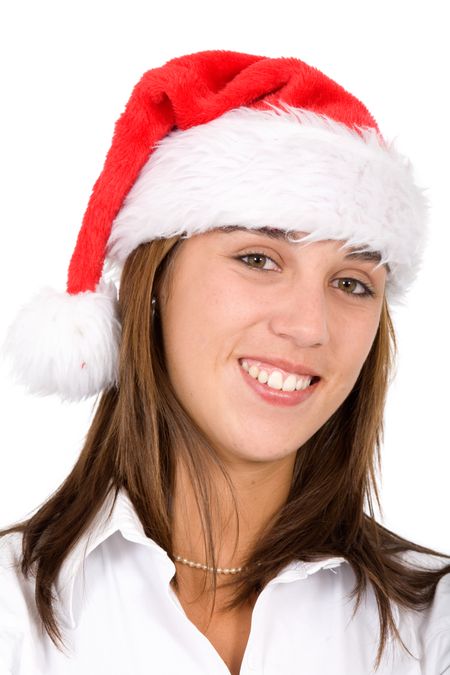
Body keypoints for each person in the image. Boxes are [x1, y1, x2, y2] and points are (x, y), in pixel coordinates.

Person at [1, 49, 449, 675]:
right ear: (151, 282)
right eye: (259, 259)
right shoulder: (11, 617)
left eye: (351, 283)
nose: (308, 326)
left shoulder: (433, 623)